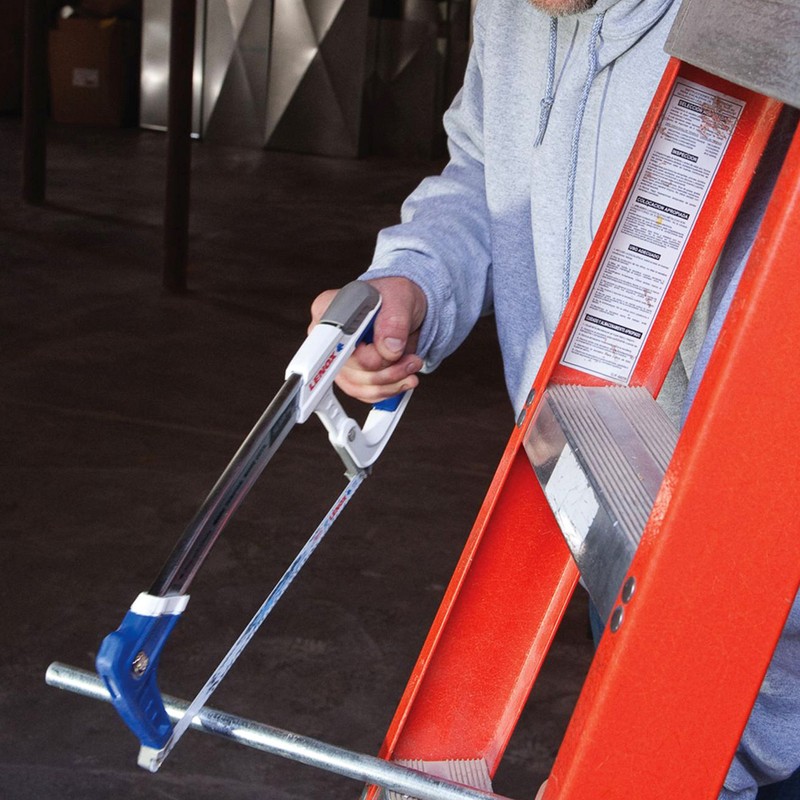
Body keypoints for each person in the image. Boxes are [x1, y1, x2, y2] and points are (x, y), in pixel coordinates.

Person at [309, 0, 800, 797]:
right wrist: (413, 282)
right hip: (616, 523)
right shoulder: (516, 10)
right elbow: (485, 166)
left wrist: (682, 751)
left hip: (751, 613)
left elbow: (771, 417)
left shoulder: (762, 18)